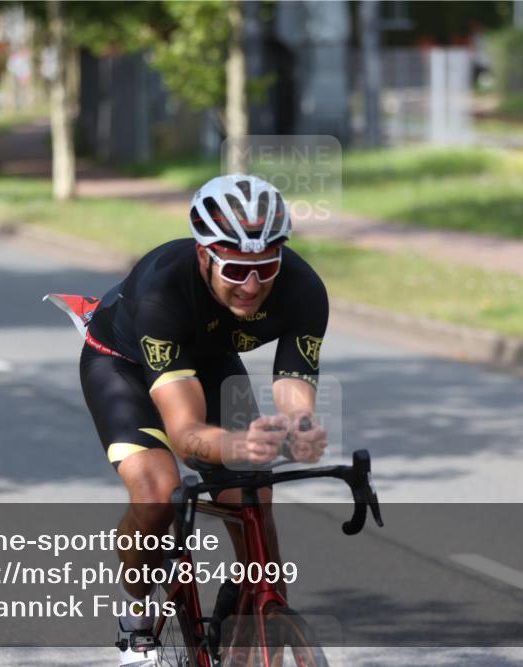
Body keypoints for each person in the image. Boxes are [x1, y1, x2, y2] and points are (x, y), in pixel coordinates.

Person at [77, 174, 330, 666]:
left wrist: (301, 429)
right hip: (123, 365)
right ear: (203, 256)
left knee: (251, 496)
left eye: (265, 267)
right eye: (235, 269)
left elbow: (294, 381)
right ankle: (138, 620)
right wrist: (240, 445)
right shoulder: (161, 292)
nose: (252, 286)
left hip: (209, 364)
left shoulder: (303, 290)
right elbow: (188, 435)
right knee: (156, 494)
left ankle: (255, 617)